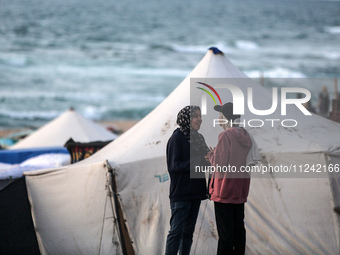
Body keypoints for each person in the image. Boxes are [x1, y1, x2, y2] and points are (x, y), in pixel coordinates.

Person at [165, 105, 210, 255]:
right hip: (181, 193)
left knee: (188, 233)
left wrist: (211, 157)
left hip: (195, 192)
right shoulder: (177, 137)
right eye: (195, 116)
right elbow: (174, 165)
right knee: (176, 233)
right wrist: (199, 159)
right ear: (187, 119)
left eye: (200, 116)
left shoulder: (198, 138)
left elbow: (204, 162)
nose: (200, 119)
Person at [208, 102, 252, 255]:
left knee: (225, 234)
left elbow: (219, 165)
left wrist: (211, 155)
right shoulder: (246, 135)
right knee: (238, 230)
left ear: (226, 118)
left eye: (220, 116)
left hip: (224, 192)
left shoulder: (226, 135)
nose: (219, 119)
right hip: (239, 191)